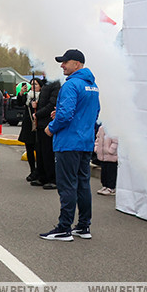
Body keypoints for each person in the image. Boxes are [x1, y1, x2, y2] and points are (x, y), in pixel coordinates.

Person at [40, 49, 100, 242]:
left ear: (76, 64)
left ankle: (64, 228)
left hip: (68, 142)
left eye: (65, 62)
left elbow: (65, 115)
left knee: (67, 185)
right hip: (85, 142)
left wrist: (51, 127)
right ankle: (83, 226)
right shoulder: (92, 86)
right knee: (83, 184)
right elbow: (94, 113)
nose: (62, 65)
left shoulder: (71, 85)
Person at [31, 77, 60, 189]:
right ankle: (42, 176)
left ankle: (52, 178)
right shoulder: (47, 83)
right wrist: (36, 105)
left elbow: (51, 104)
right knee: (40, 152)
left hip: (48, 123)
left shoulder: (55, 84)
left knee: (48, 153)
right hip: (41, 124)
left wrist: (38, 113)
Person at [18, 79, 41, 182]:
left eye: (35, 84)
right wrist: (21, 93)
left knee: (39, 150)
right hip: (28, 125)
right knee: (29, 149)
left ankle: (39, 171)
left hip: (38, 126)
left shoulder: (42, 96)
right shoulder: (28, 95)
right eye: (31, 84)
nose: (33, 86)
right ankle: (32, 170)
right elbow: (19, 103)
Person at [93, 124, 118, 196]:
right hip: (102, 155)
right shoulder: (102, 128)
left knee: (111, 171)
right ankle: (105, 185)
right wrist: (97, 148)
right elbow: (97, 138)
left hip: (111, 156)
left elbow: (116, 142)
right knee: (104, 171)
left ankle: (111, 187)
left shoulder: (115, 129)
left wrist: (111, 150)